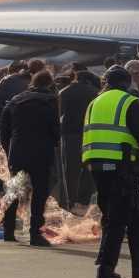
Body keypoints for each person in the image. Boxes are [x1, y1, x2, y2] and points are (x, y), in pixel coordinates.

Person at [85, 67, 139, 278]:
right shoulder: (129, 102)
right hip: (121, 165)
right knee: (117, 219)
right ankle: (105, 268)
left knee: (131, 217)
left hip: (97, 165)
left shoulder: (95, 102)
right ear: (127, 82)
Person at [0, 71, 61, 246]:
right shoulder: (50, 102)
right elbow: (55, 130)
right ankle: (35, 233)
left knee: (14, 191)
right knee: (39, 194)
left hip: (18, 153)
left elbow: (4, 129)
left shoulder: (15, 100)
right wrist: (55, 142)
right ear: (49, 84)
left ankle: (8, 230)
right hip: (42, 153)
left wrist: (8, 148)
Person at [58, 70, 100, 210]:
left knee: (70, 170)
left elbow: (59, 114)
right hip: (90, 133)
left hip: (70, 134)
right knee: (88, 168)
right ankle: (84, 199)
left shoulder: (64, 92)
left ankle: (69, 200)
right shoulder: (95, 93)